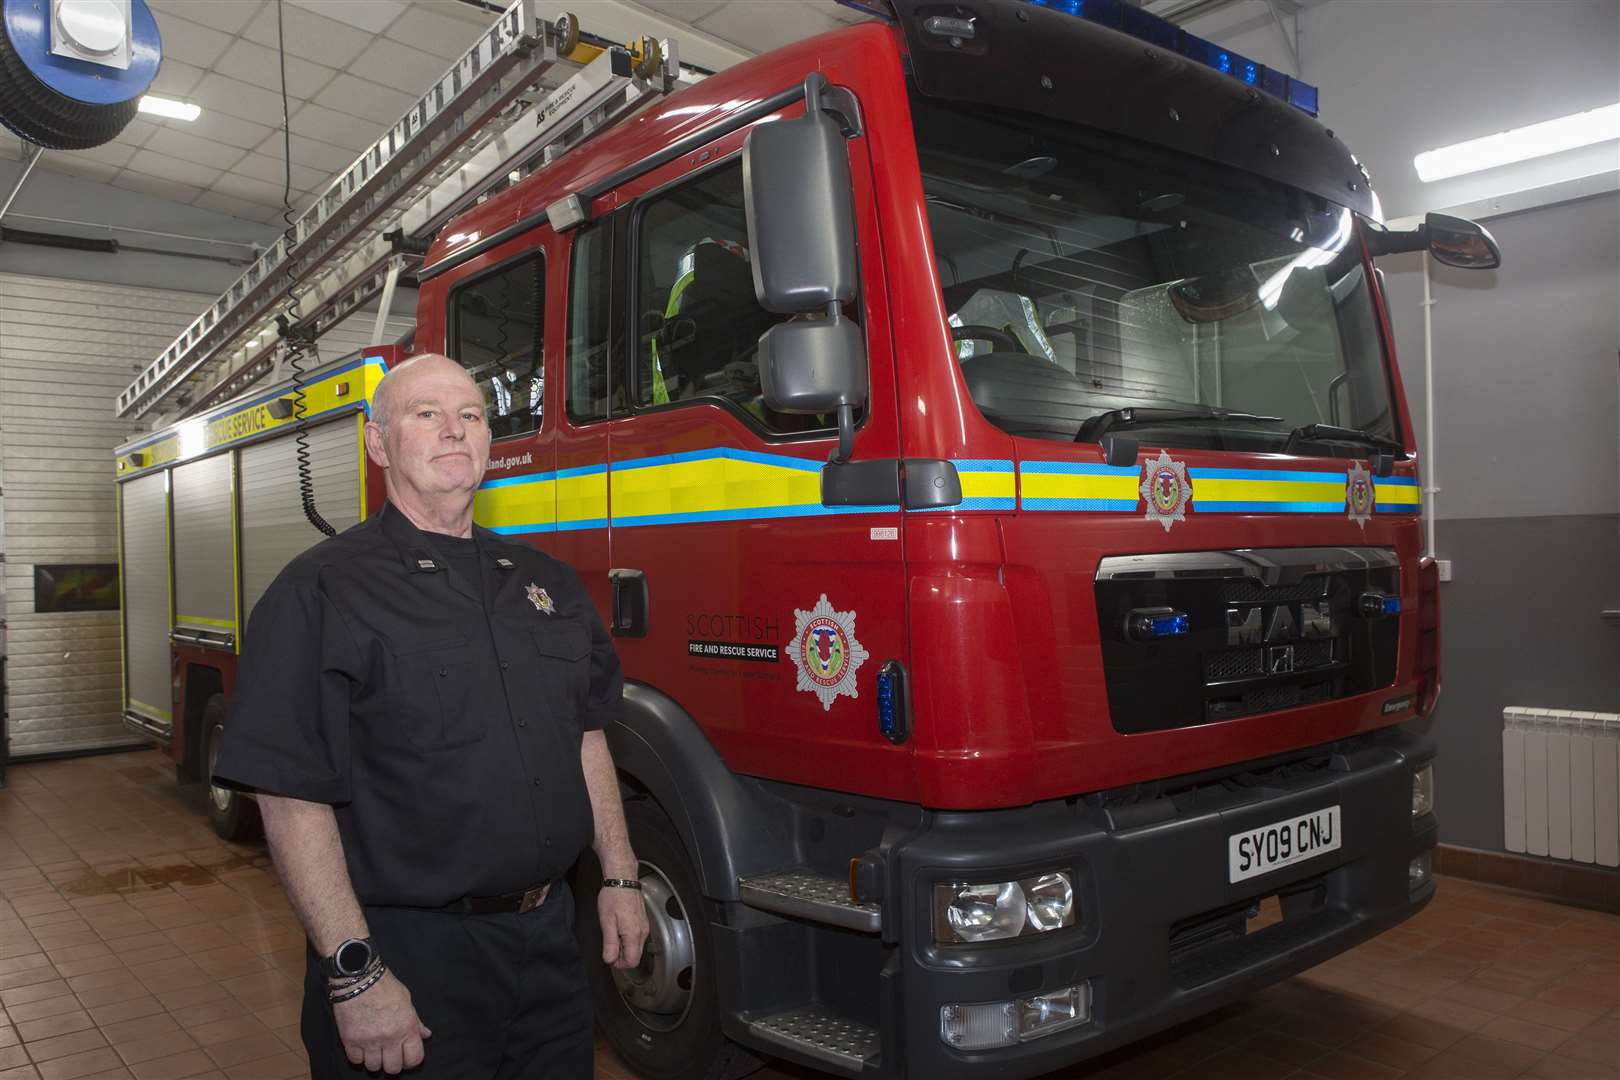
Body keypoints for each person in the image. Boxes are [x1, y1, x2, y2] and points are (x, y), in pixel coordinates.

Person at [213, 353, 648, 1078]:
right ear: (378, 444)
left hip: (549, 948)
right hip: (407, 958)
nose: (455, 430)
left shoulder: (547, 583)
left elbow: (585, 734)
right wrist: (353, 971)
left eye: (471, 415)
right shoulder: (321, 590)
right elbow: (289, 794)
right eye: (427, 415)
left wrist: (621, 877)